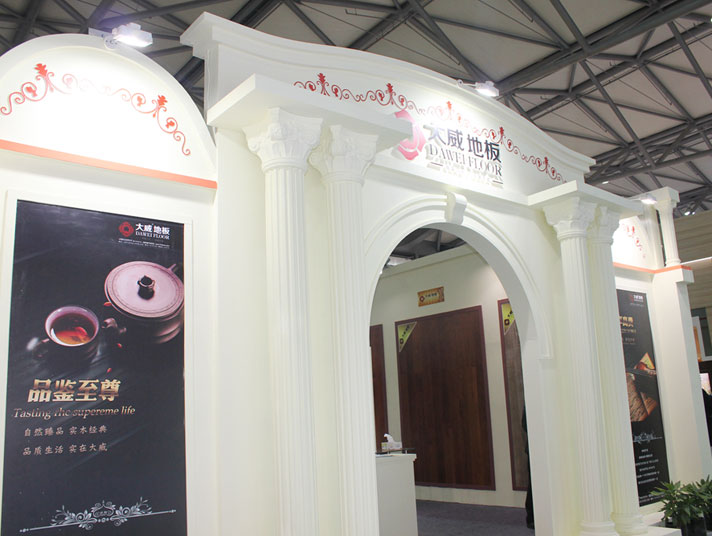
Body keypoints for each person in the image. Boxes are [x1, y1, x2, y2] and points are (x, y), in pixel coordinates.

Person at [523, 408, 534, 530]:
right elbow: (524, 424)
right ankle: (531, 518)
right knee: (534, 483)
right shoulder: (530, 402)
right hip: (534, 448)